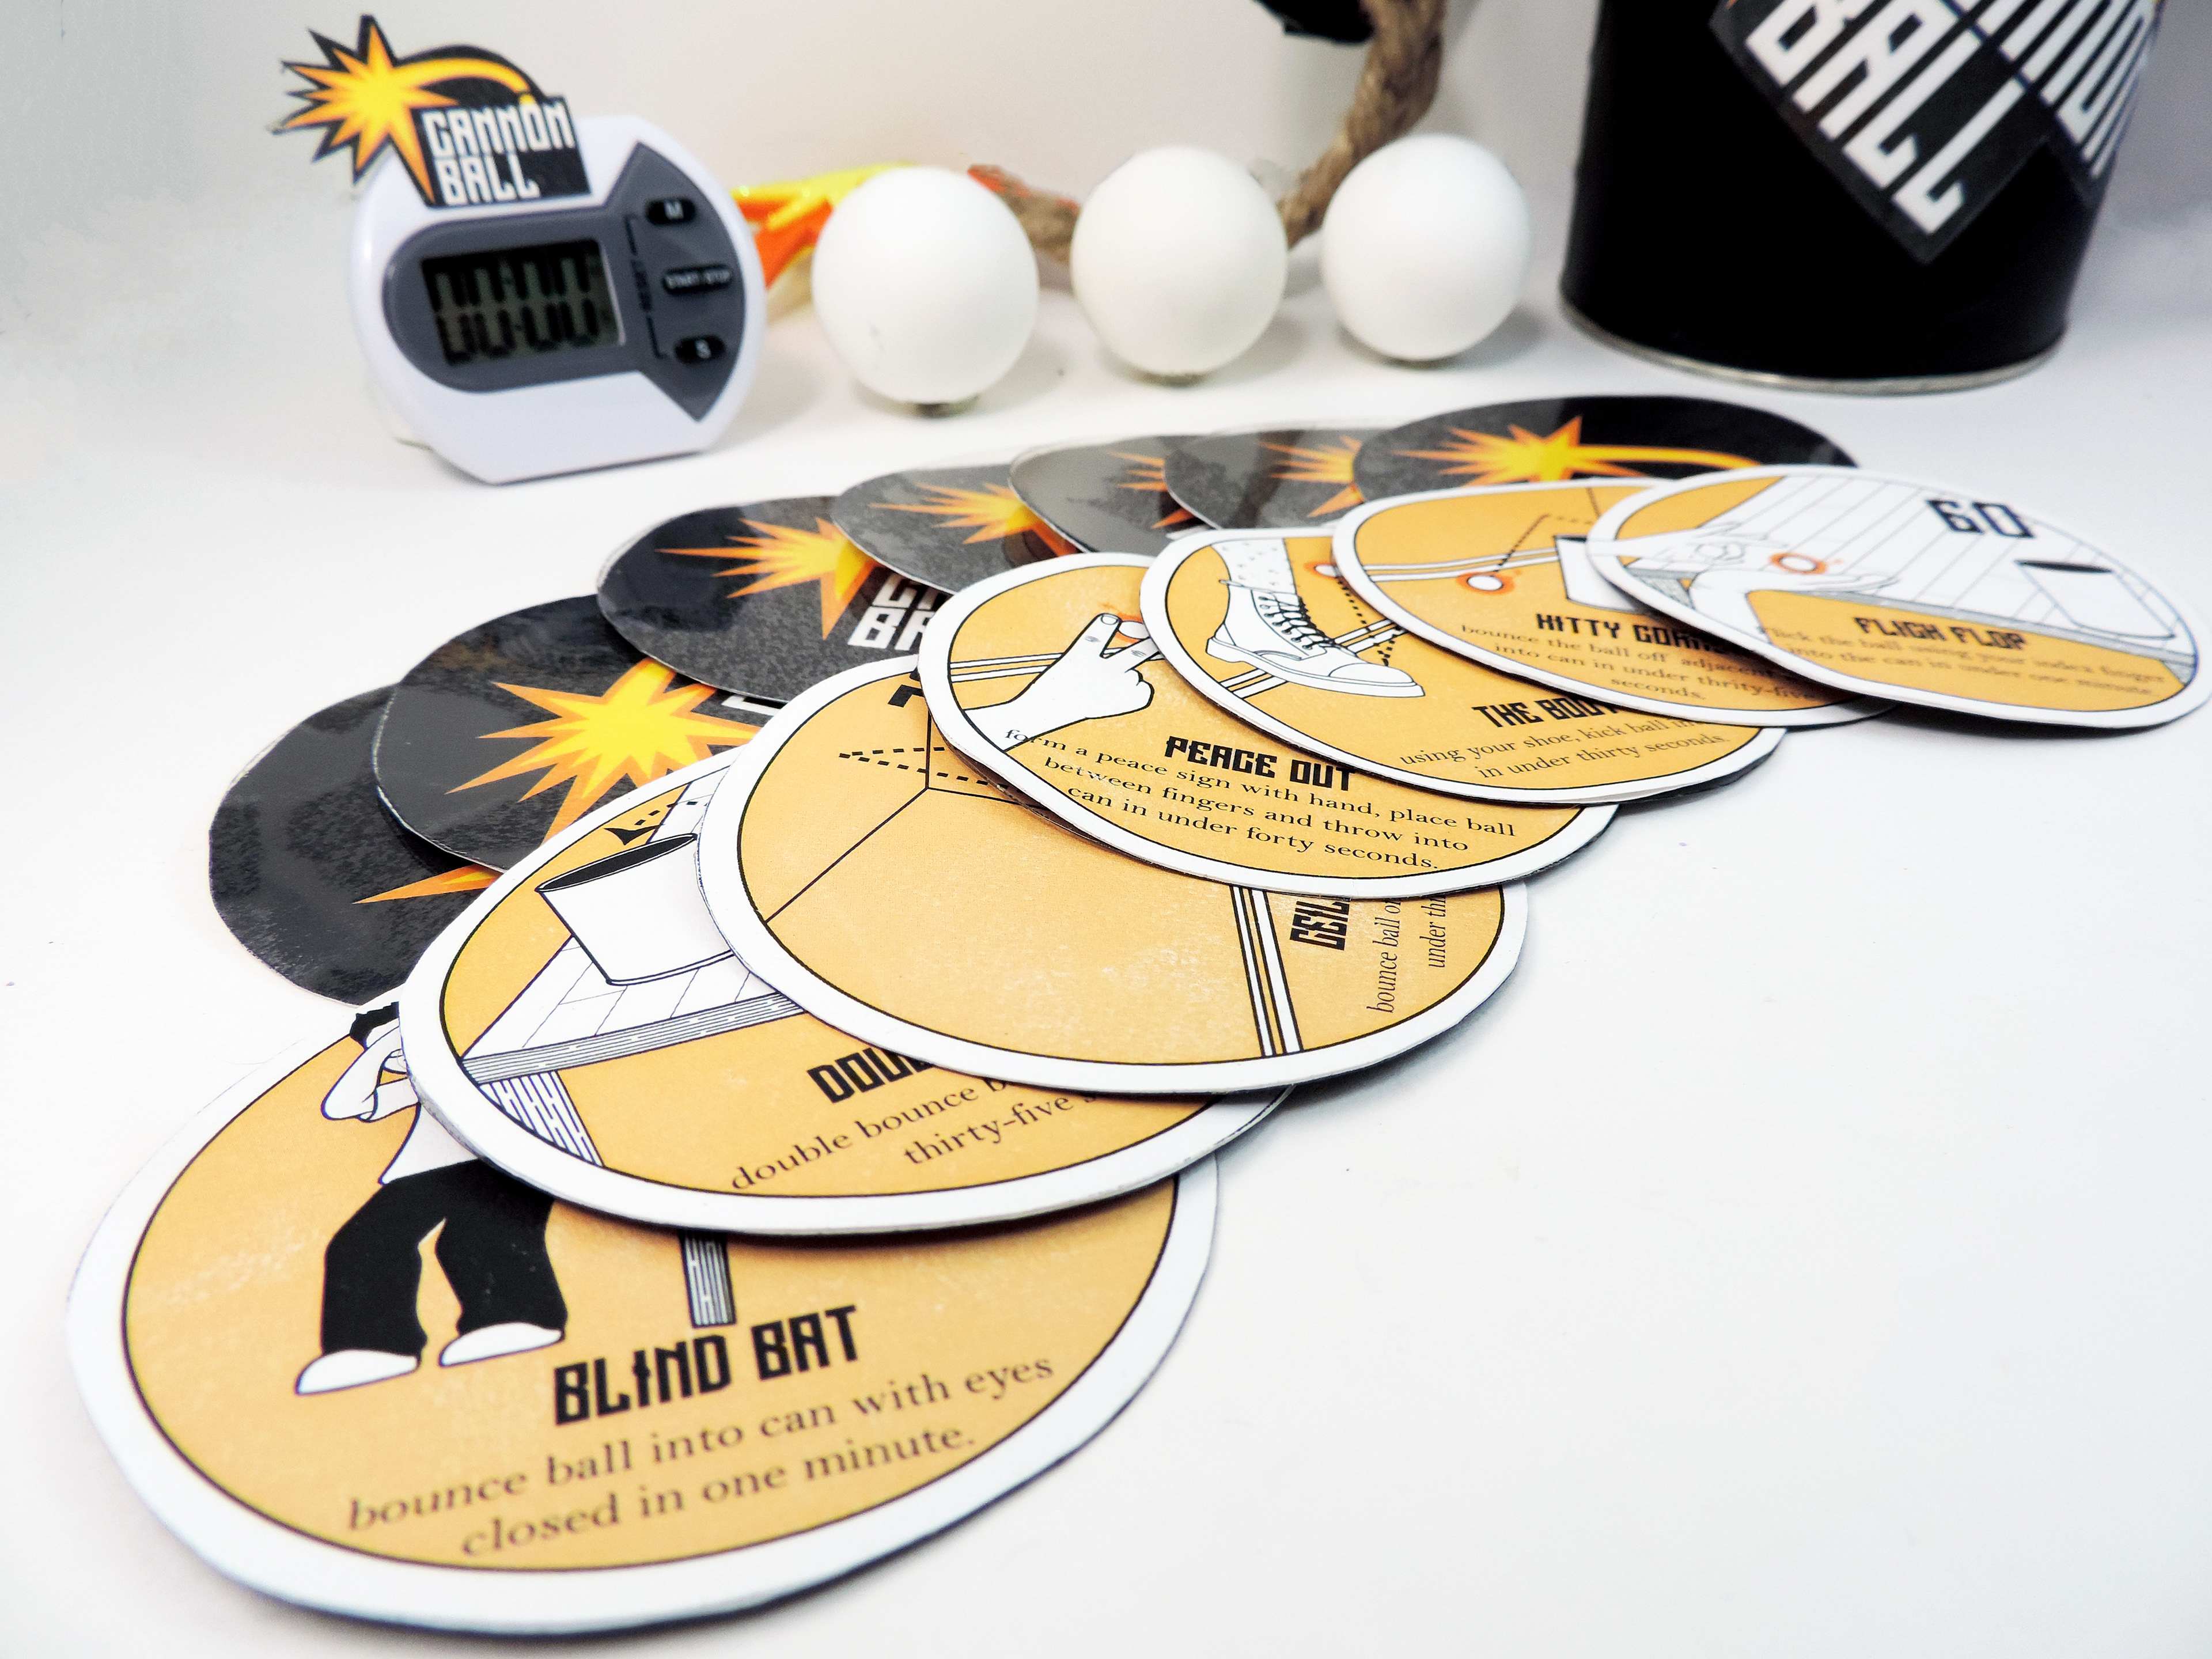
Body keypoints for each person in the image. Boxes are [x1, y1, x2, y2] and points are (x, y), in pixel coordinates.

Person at [294, 1005, 568, 1396]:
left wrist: (410, 1037)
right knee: (361, 1243)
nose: (399, 1055)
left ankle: (517, 1319)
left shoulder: (472, 1059)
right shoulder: (414, 1083)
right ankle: (372, 1346)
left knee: (474, 1240)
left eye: (402, 1041)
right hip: (423, 1171)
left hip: (500, 1160)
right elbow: (342, 1107)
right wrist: (379, 1050)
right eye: (390, 1052)